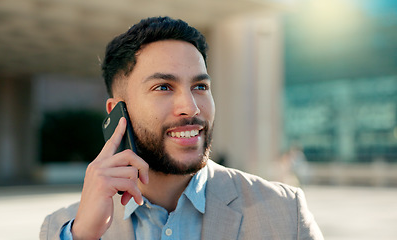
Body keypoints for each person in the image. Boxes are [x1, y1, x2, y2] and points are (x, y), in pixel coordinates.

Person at [40, 16, 323, 240]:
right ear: (117, 112)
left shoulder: (284, 211)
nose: (191, 107)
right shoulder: (65, 229)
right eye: (163, 87)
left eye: (200, 86)